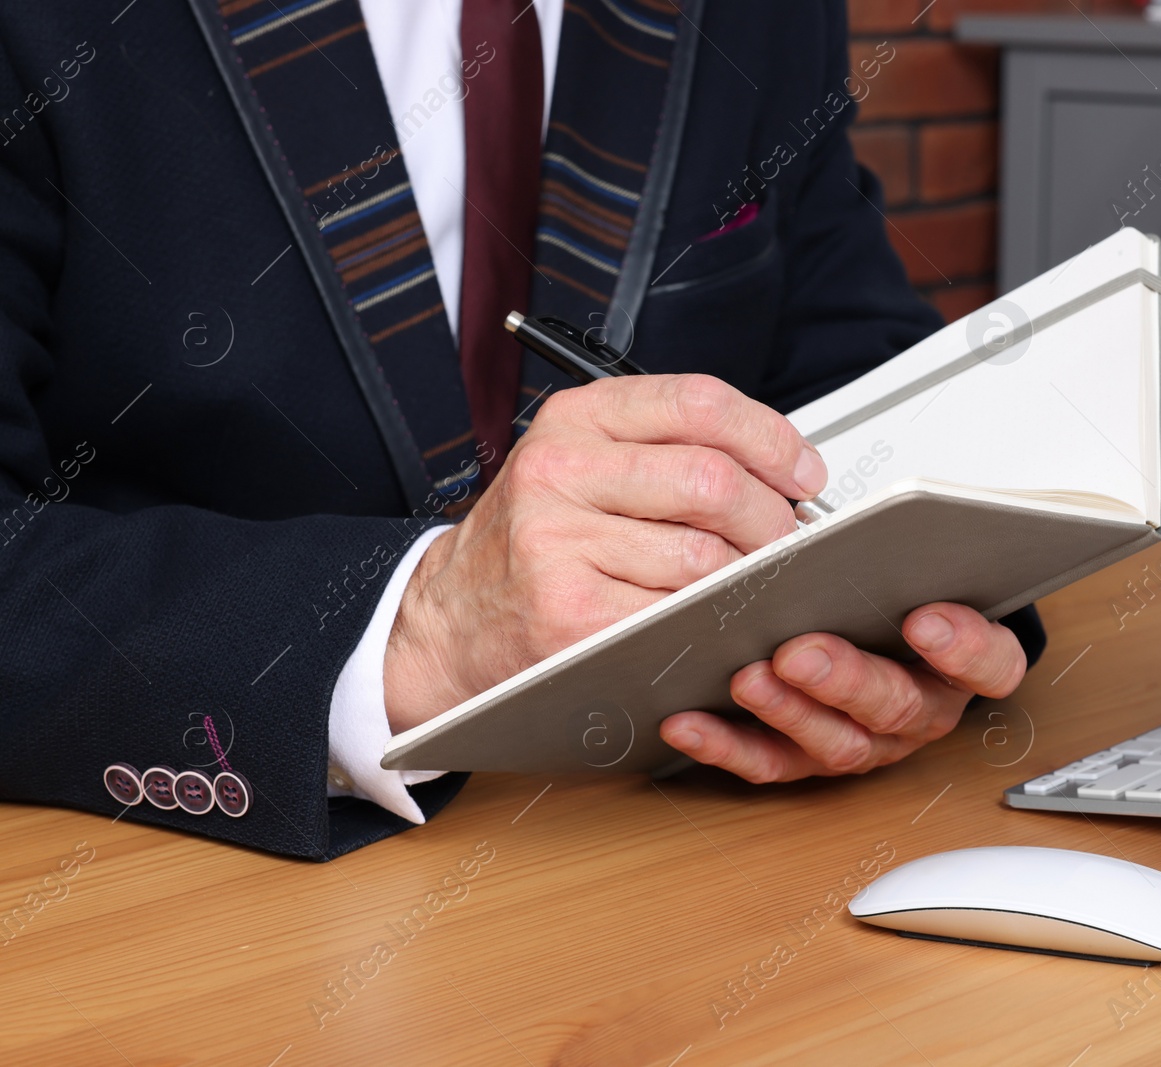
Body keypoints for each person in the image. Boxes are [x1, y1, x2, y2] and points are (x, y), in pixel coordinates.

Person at [0, 0, 1043, 859]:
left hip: (680, 844)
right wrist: (429, 626)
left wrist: (916, 613)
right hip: (179, 889)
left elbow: (851, 364)